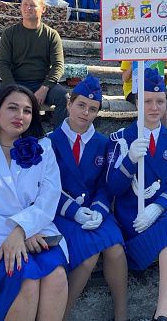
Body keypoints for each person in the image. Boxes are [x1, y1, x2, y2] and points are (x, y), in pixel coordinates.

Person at [0, 84, 68, 321]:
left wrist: (22, 231)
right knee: (25, 280)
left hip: (37, 232)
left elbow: (49, 197)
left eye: (27, 110)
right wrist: (17, 234)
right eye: (12, 108)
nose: (20, 116)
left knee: (57, 276)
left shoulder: (44, 148)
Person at [107, 68, 167, 321]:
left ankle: (164, 314)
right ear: (137, 102)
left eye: (160, 101)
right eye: (147, 101)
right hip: (134, 226)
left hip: (162, 218)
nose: (155, 107)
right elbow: (113, 189)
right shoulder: (121, 139)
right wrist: (129, 161)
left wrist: (157, 207)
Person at [49, 76, 128, 320]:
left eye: (93, 109)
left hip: (96, 211)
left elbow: (105, 186)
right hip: (63, 213)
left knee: (116, 250)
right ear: (69, 103)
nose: (86, 113)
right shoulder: (50, 141)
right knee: (88, 257)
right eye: (81, 105)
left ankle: (121, 314)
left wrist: (99, 210)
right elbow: (46, 187)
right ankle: (61, 314)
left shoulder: (103, 143)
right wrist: (74, 211)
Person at [0, 0, 68, 128]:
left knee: (64, 98)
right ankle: (3, 138)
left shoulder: (52, 35)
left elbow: (58, 66)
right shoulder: (9, 34)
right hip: (16, 83)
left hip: (41, 84)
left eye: (33, 5)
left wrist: (44, 88)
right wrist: (13, 88)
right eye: (25, 4)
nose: (28, 8)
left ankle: (59, 138)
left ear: (43, 9)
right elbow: (3, 64)